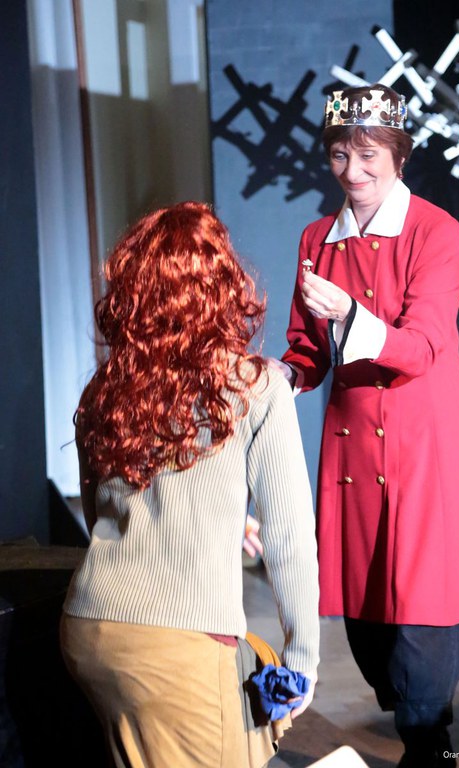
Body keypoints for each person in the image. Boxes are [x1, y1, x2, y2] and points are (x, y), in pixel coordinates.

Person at [270, 84, 459, 767]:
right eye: (340, 155)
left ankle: (428, 743)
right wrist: (275, 377)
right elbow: (306, 349)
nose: (353, 171)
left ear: (398, 156)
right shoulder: (316, 238)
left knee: (422, 610)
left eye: (368, 155)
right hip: (351, 449)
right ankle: (414, 721)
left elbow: (424, 344)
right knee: (368, 621)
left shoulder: (436, 231)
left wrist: (348, 314)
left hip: (424, 442)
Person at [60, 201, 320, 768]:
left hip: (90, 628)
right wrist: (303, 659)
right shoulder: (256, 386)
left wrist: (219, 517)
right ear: (223, 285)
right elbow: (290, 539)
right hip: (177, 646)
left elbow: (102, 511)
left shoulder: (105, 388)